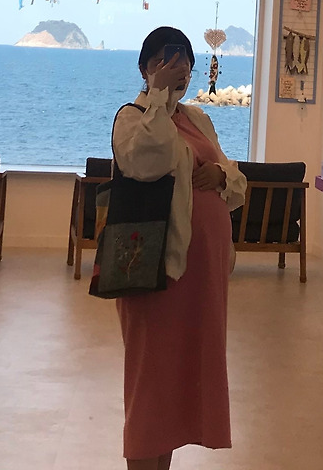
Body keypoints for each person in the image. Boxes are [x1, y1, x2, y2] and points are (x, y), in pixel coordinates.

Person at [111, 26, 248, 470]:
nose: (178, 69)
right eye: (165, 61)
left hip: (203, 275)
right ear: (145, 69)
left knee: (180, 380)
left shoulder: (198, 119)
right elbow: (147, 161)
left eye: (184, 61)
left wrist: (221, 176)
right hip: (156, 270)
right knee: (151, 378)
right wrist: (157, 96)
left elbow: (236, 179)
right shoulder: (133, 117)